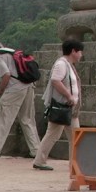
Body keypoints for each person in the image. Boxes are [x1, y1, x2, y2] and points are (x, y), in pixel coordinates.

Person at [0, 40, 40, 158]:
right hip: (29, 86)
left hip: (15, 88)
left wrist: (0, 90)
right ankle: (36, 150)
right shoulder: (12, 52)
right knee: (27, 119)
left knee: (2, 117)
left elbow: (6, 75)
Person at [32, 39, 84, 171]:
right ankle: (41, 161)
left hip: (69, 108)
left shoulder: (68, 64)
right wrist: (68, 96)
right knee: (59, 135)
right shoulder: (62, 64)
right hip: (63, 106)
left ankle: (73, 164)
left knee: (72, 136)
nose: (81, 55)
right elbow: (56, 80)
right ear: (73, 51)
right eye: (80, 52)